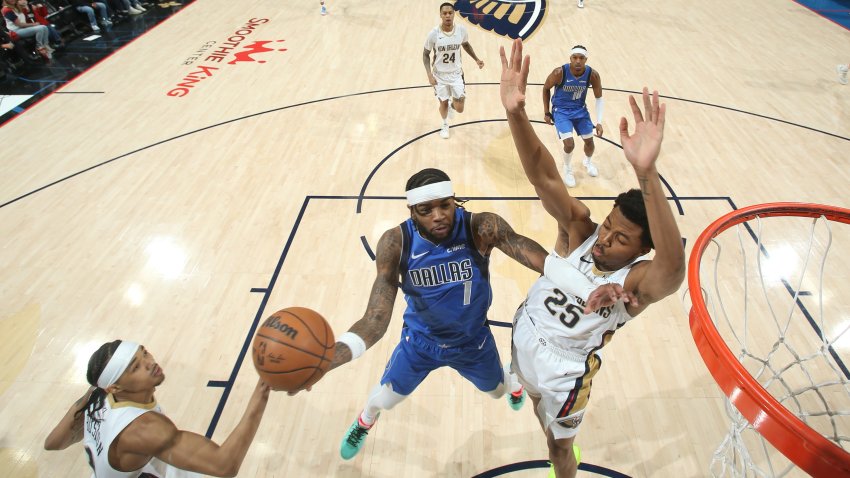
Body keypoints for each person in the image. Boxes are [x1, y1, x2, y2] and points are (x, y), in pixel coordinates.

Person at [326, 167, 629, 461]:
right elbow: (375, 319)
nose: (439, 215)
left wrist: (585, 287)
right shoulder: (396, 242)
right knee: (385, 399)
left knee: (499, 391)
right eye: (426, 210)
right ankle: (364, 422)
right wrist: (325, 359)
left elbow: (538, 258)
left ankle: (514, 379)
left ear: (454, 199)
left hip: (473, 342)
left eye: (445, 205)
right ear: (411, 210)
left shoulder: (480, 227)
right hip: (420, 343)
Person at [500, 39, 686, 478]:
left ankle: (564, 467)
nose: (604, 240)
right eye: (608, 225)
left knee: (557, 448)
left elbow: (674, 268)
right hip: (524, 330)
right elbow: (543, 174)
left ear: (642, 249)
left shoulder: (637, 281)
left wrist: (646, 173)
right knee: (532, 401)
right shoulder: (581, 230)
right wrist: (515, 113)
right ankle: (526, 390)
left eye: (621, 238)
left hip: (567, 369)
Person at [44, 340, 272, 477]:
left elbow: (53, 443)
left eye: (144, 353)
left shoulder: (96, 396)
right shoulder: (144, 430)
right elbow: (225, 464)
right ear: (115, 386)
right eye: (135, 367)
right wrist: (266, 384)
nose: (150, 363)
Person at [542, 44, 603, 188]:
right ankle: (567, 168)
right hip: (561, 111)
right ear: (570, 58)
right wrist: (546, 112)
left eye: (581, 58)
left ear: (586, 59)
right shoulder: (559, 73)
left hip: (580, 111)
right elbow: (545, 89)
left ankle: (587, 162)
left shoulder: (592, 75)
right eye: (575, 57)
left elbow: (599, 97)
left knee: (590, 142)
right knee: (569, 143)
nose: (577, 61)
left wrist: (599, 121)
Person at [423, 2, 484, 139]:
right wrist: (429, 75)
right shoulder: (433, 34)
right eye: (444, 13)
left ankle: (452, 105)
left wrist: (476, 59)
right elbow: (425, 54)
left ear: (454, 14)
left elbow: (466, 44)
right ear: (440, 15)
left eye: (450, 13)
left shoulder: (461, 30)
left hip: (456, 75)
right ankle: (444, 124)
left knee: (460, 108)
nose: (447, 15)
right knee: (442, 103)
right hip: (440, 76)